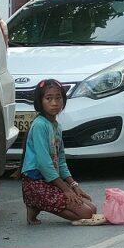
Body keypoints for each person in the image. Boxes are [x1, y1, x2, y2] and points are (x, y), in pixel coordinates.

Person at [20, 79, 99, 225]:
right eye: (48, 99)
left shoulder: (56, 126)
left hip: (51, 181)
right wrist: (66, 190)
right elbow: (44, 164)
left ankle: (37, 204)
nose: (54, 103)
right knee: (87, 213)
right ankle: (35, 202)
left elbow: (60, 161)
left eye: (58, 98)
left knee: (92, 208)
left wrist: (74, 186)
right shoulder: (39, 125)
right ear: (40, 102)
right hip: (36, 183)